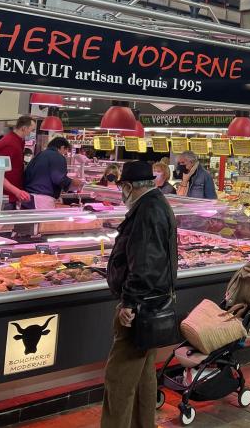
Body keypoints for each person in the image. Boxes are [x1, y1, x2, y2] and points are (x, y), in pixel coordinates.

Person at [102, 161, 178, 428]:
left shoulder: (146, 211)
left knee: (119, 380)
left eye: (122, 188)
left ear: (128, 186)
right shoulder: (157, 204)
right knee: (144, 375)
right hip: (154, 306)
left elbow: (145, 263)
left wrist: (130, 303)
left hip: (140, 309)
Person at [23, 137, 83, 209]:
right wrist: (72, 182)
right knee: (43, 217)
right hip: (42, 199)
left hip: (28, 197)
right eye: (65, 151)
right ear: (62, 147)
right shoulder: (58, 156)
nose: (64, 154)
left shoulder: (39, 155)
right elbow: (58, 178)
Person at [0, 115, 35, 208]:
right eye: (32, 130)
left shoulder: (18, 142)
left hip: (11, 197)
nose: (32, 133)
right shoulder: (9, 144)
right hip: (4, 199)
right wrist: (17, 191)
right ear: (24, 128)